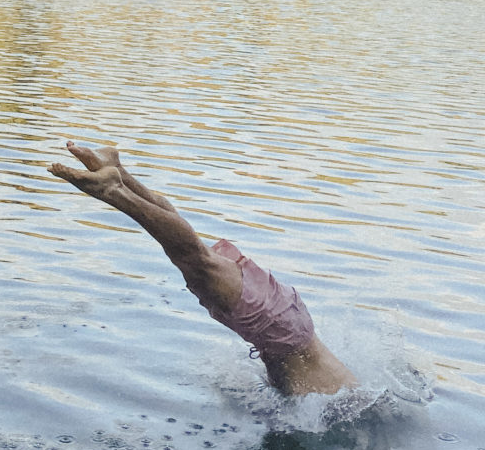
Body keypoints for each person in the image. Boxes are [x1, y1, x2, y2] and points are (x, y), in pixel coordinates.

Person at [49, 140, 357, 396]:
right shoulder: (348, 401)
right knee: (192, 256)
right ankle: (113, 189)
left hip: (282, 325)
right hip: (279, 328)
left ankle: (118, 173)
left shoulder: (342, 386)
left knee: (191, 254)